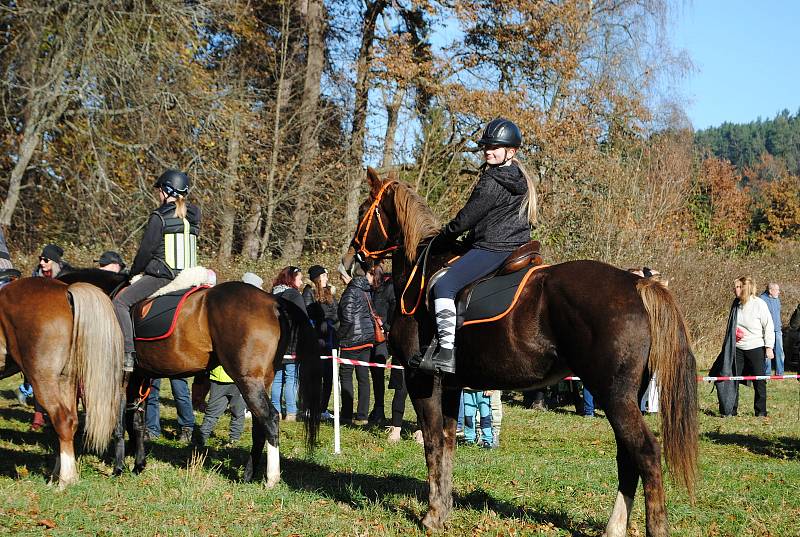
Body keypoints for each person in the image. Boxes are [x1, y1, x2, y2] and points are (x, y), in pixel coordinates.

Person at [426, 118, 536, 375]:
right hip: (518, 245)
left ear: (511, 151)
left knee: (444, 285)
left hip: (494, 248)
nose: (488, 150)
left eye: (495, 147)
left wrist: (441, 239)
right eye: (486, 146)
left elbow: (466, 219)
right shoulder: (520, 178)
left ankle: (445, 353)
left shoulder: (492, 181)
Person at [113, 169, 200, 373]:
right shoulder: (195, 214)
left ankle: (128, 354)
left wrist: (133, 272)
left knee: (120, 302)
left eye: (160, 191)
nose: (158, 195)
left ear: (166, 191)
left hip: (164, 274)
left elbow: (146, 251)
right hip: (190, 273)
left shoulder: (159, 216)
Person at [713, 276, 774, 417]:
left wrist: (769, 347)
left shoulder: (759, 304)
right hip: (737, 348)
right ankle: (731, 410)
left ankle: (761, 412)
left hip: (755, 346)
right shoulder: (736, 304)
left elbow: (769, 326)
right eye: (735, 287)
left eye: (739, 287)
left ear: (746, 288)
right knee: (732, 379)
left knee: (760, 381)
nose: (735, 290)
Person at [337, 262, 376, 426]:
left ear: (349, 276)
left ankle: (346, 414)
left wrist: (339, 337)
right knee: (363, 377)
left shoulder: (350, 292)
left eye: (341, 276)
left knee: (346, 376)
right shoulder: (365, 291)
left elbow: (347, 319)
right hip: (367, 339)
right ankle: (362, 415)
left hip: (352, 341)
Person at [302, 264, 339, 420]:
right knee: (314, 376)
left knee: (329, 377)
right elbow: (308, 316)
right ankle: (310, 407)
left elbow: (336, 314)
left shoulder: (329, 293)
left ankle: (323, 408)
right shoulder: (308, 293)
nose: (326, 278)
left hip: (330, 341)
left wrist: (333, 326)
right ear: (317, 278)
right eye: (323, 276)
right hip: (316, 342)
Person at [271, 266, 307, 421]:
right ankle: (291, 412)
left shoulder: (273, 293)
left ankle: (276, 411)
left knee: (277, 378)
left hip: (275, 343)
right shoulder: (294, 295)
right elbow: (302, 318)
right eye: (299, 277)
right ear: (292, 278)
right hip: (292, 341)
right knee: (291, 378)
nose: (302, 280)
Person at [195, 364, 246, 447]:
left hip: (234, 379)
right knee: (236, 413)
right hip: (228, 379)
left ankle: (234, 440)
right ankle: (202, 439)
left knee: (237, 413)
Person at [368, 261, 394, 426]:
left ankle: (380, 409)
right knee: (376, 375)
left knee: (379, 372)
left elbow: (393, 307)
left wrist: (387, 327)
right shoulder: (370, 289)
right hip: (372, 335)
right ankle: (378, 408)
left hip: (382, 336)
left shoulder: (388, 288)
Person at [759, 283, 784, 376]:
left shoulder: (777, 299)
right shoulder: (762, 299)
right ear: (770, 291)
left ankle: (780, 372)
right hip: (766, 330)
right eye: (777, 290)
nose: (779, 292)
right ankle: (767, 373)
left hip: (777, 330)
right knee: (767, 352)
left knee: (780, 352)